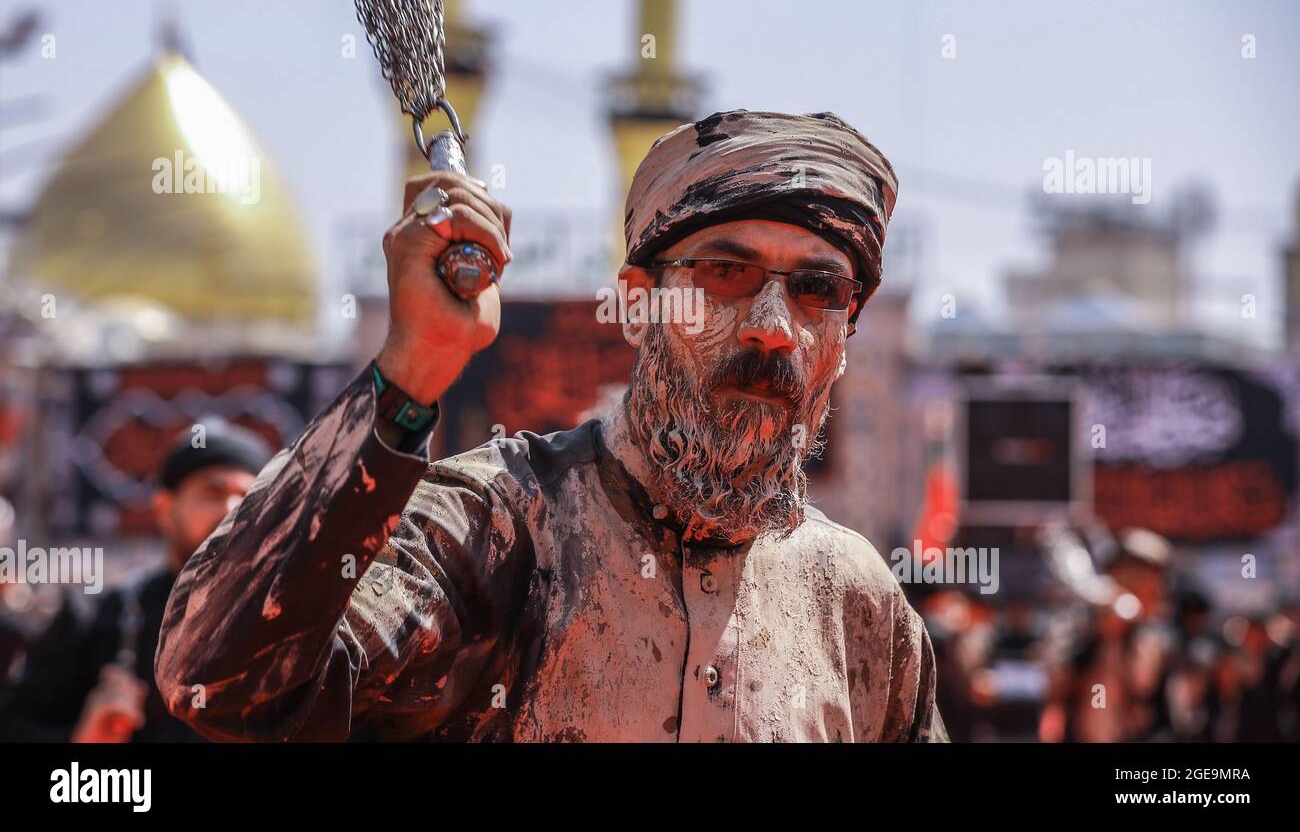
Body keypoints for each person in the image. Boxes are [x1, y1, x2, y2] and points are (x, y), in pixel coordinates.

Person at [156, 109, 949, 743]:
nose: (773, 328)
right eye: (727, 273)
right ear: (637, 304)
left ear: (845, 342)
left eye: (819, 291)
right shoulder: (497, 528)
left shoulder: (855, 604)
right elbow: (217, 682)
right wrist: (409, 371)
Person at [0, 419, 271, 742]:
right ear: (164, 509)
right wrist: (84, 738)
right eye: (211, 493)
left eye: (246, 495)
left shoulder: (295, 622)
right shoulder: (96, 619)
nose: (230, 510)